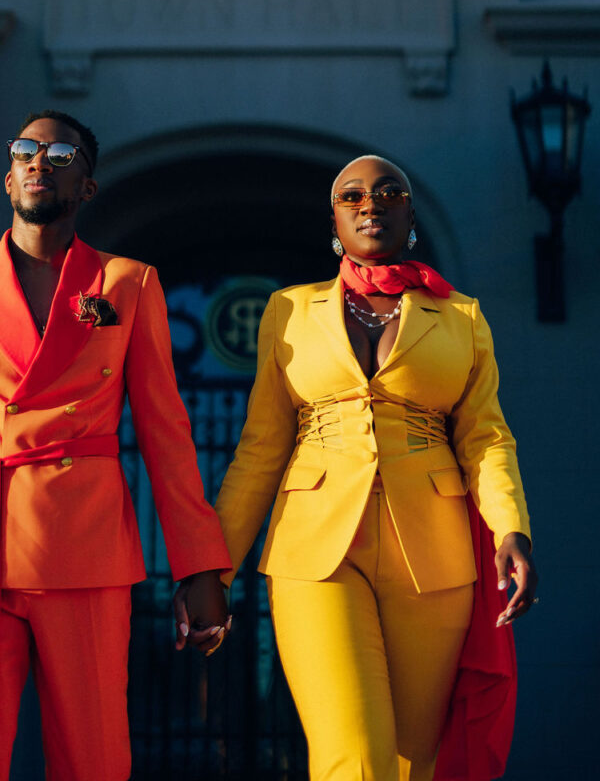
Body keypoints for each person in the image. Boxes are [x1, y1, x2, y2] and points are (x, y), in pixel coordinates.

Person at [0, 111, 231, 781]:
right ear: (8, 175)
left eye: (61, 153)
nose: (41, 161)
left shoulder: (128, 283)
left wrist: (198, 567)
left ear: (86, 187)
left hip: (85, 547)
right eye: (26, 150)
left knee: (94, 757)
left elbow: (166, 432)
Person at [214, 154, 538, 781]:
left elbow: (485, 437)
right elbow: (259, 449)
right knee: (355, 756)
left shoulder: (462, 316)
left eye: (390, 192)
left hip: (435, 558)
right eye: (352, 194)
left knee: (413, 763)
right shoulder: (289, 310)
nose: (371, 202)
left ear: (410, 215)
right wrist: (214, 571)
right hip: (315, 554)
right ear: (335, 220)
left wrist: (510, 529)